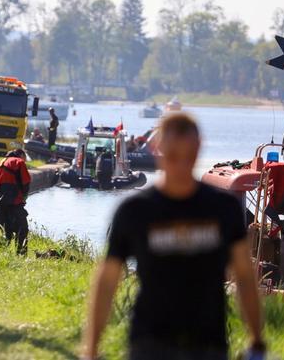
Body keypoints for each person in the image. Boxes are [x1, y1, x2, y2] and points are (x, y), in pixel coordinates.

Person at [83, 113, 265, 360]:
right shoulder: (135, 211)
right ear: (158, 149)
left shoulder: (223, 208)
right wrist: (92, 349)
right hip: (150, 343)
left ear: (199, 148)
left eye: (188, 158)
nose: (180, 166)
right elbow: (106, 282)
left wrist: (257, 341)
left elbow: (244, 276)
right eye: (173, 157)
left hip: (208, 345)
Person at [0, 148, 31, 255]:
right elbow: (26, 182)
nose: (25, 161)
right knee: (23, 230)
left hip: (1, 204)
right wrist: (24, 197)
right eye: (25, 157)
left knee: (7, 232)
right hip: (15, 203)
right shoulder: (19, 162)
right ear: (20, 155)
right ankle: (21, 256)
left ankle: (2, 254)